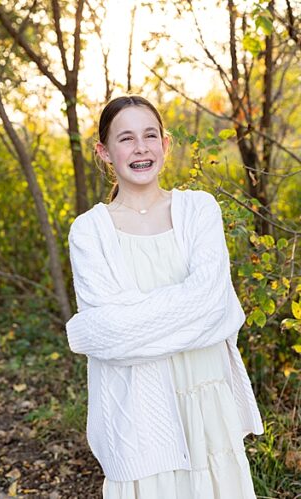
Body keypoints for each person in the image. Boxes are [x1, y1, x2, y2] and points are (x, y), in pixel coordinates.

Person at [66, 95, 263, 498]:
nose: (140, 148)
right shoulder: (89, 232)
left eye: (150, 135)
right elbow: (108, 336)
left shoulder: (199, 210)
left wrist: (130, 321)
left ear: (165, 144)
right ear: (104, 152)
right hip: (138, 410)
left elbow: (214, 306)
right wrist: (185, 314)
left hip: (206, 399)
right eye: (126, 138)